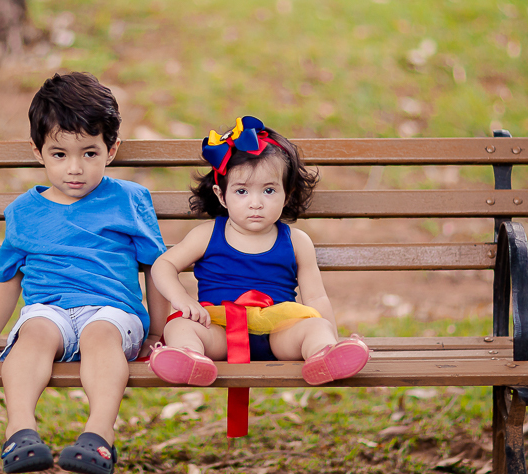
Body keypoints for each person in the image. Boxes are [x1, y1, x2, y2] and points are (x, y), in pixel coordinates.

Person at [0, 72, 168, 474]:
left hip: (112, 312)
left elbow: (156, 267)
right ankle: (20, 431)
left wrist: (156, 333)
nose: (75, 168)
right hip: (48, 309)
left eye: (89, 153)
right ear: (38, 152)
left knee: (100, 335)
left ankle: (99, 435)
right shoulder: (24, 211)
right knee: (32, 337)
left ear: (111, 149)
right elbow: (8, 278)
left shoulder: (130, 199)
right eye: (59, 154)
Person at [149, 115, 370, 389]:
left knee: (315, 326)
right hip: (219, 330)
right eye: (242, 191)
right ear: (221, 195)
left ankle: (324, 356)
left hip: (279, 331)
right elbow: (164, 266)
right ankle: (190, 358)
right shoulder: (207, 235)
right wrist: (182, 299)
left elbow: (316, 297)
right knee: (178, 327)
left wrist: (329, 335)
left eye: (268, 190)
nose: (256, 203)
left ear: (286, 194)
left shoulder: (297, 241)